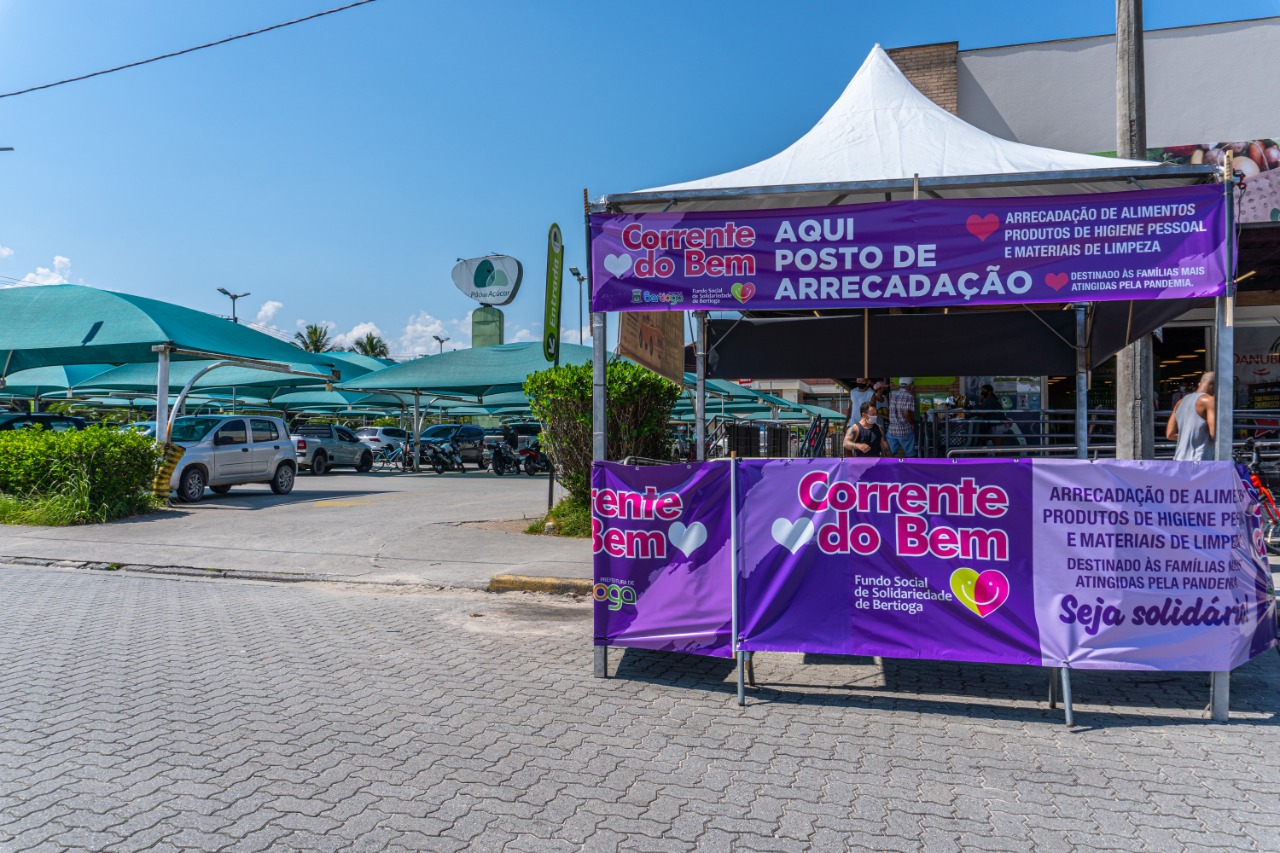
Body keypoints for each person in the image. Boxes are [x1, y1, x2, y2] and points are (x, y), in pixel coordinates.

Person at [1166, 372, 1216, 461]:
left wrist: (1189, 437)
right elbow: (1214, 434)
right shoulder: (1209, 401)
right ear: (1215, 385)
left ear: (1199, 384)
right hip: (1200, 460)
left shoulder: (1180, 402)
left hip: (1179, 459)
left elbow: (1170, 434)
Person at [887, 377, 917, 457]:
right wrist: (912, 424)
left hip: (891, 430)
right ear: (910, 385)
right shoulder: (909, 396)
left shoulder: (893, 395)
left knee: (891, 454)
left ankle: (891, 468)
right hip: (904, 429)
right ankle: (910, 468)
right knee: (910, 454)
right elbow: (906, 413)